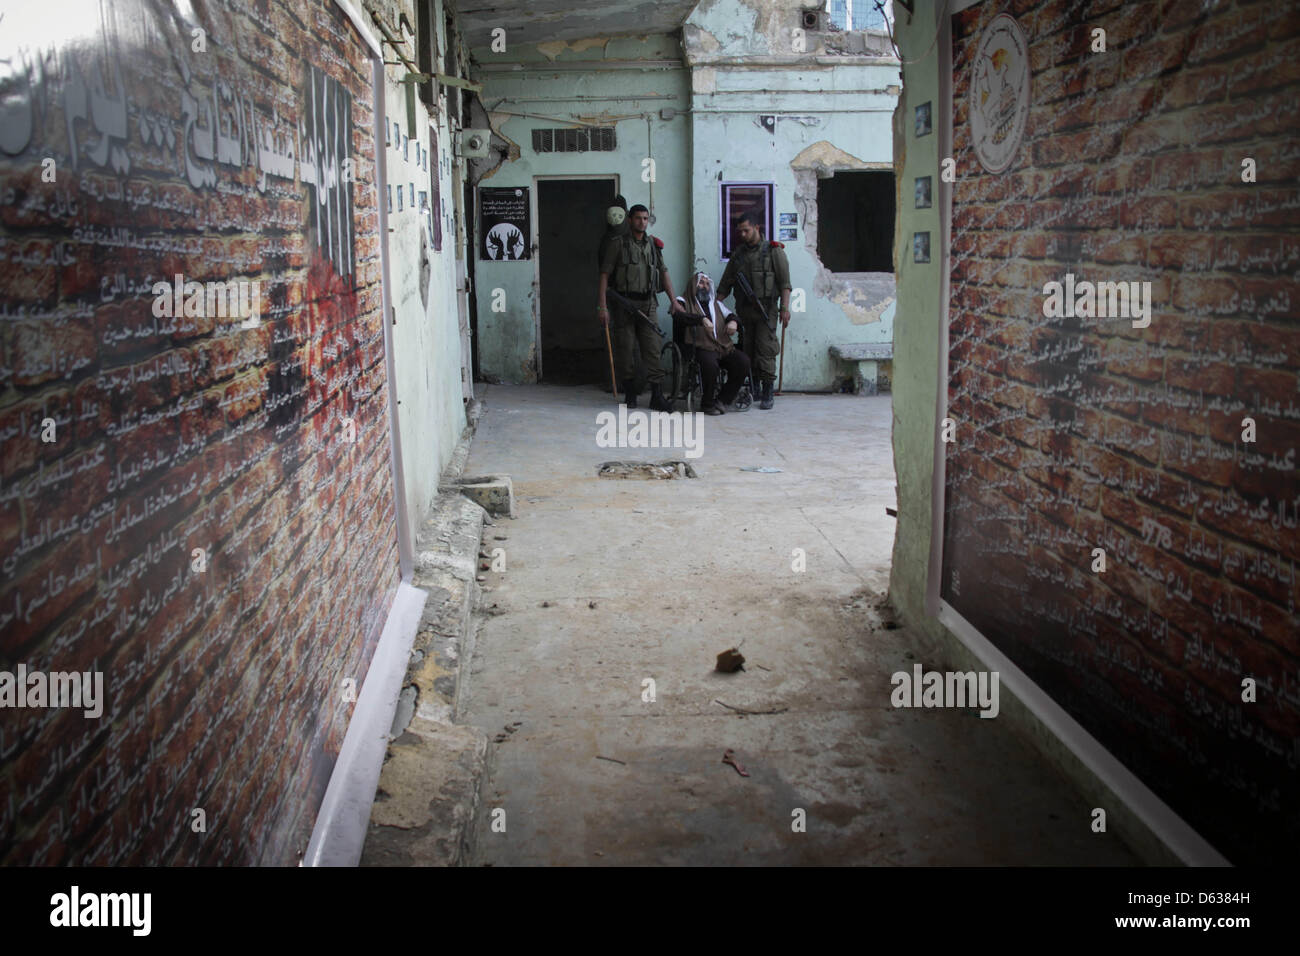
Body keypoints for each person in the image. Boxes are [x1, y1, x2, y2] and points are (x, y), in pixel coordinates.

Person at [597, 204, 676, 411]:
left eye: (645, 218)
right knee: (626, 349)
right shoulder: (617, 244)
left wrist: (674, 301)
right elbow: (604, 275)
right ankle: (630, 393)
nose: (642, 222)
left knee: (652, 349)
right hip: (624, 304)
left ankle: (657, 396)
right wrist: (602, 307)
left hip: (648, 304)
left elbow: (664, 273)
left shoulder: (653, 245)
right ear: (630, 220)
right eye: (638, 218)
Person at [717, 209, 792, 410]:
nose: (742, 235)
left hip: (767, 309)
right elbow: (725, 285)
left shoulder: (773, 251)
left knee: (765, 350)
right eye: (739, 231)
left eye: (746, 231)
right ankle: (754, 388)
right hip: (744, 311)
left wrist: (785, 308)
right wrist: (713, 307)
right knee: (747, 349)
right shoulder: (738, 256)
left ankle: (768, 391)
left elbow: (785, 283)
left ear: (756, 228)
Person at [673, 272, 751, 415]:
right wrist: (700, 320)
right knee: (710, 364)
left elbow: (732, 316)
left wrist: (733, 322)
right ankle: (707, 404)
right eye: (701, 283)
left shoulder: (716, 304)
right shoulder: (682, 301)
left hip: (720, 346)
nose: (705, 286)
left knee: (743, 362)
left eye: (707, 283)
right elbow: (680, 316)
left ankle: (722, 400)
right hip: (698, 346)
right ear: (693, 286)